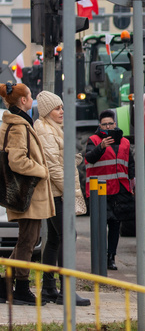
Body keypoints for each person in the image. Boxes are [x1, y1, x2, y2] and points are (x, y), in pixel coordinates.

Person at [34, 90, 90, 306]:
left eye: (61, 107)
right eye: (57, 108)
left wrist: (73, 159)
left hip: (54, 191)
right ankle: (65, 290)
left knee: (57, 238)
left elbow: (58, 159)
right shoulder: (46, 131)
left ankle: (49, 289)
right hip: (57, 192)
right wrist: (69, 190)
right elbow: (53, 167)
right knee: (68, 236)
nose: (62, 111)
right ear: (47, 111)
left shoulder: (51, 129)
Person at [0, 82, 54, 305]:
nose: (32, 100)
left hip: (27, 192)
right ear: (23, 101)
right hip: (28, 193)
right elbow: (17, 160)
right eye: (30, 96)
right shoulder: (19, 126)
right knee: (27, 241)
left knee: (26, 240)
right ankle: (21, 287)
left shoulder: (16, 123)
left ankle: (6, 284)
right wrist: (42, 170)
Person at [84, 110, 134, 271]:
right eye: (104, 124)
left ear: (115, 124)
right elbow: (89, 158)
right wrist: (101, 147)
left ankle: (111, 257)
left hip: (119, 190)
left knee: (115, 224)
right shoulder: (93, 140)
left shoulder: (125, 142)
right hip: (100, 192)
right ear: (100, 126)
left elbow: (130, 165)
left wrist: (131, 186)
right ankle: (99, 256)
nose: (108, 126)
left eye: (110, 124)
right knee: (100, 225)